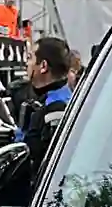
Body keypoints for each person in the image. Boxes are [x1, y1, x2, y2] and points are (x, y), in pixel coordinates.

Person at [13, 36, 75, 164]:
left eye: (30, 58)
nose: (26, 63)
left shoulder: (56, 109)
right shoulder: (58, 99)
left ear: (43, 66)